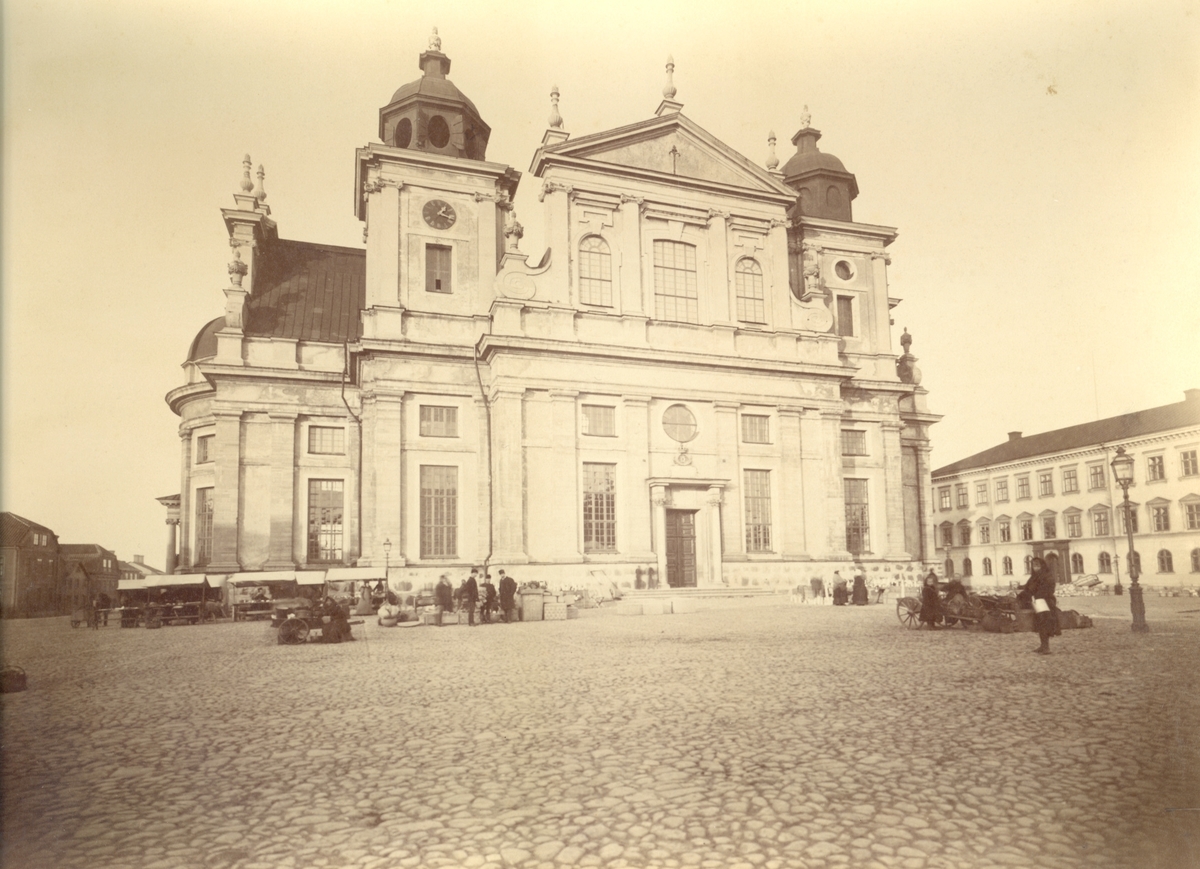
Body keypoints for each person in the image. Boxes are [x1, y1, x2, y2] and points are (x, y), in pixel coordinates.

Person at [1024, 557, 1058, 654]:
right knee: (1039, 625)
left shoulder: (1047, 576)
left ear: (1042, 565)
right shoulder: (1034, 577)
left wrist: (1036, 594)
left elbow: (1049, 589)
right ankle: (1042, 646)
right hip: (1037, 603)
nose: (1035, 567)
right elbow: (1028, 587)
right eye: (1034, 565)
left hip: (1046, 603)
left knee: (1045, 625)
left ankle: (1046, 647)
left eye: (1037, 565)